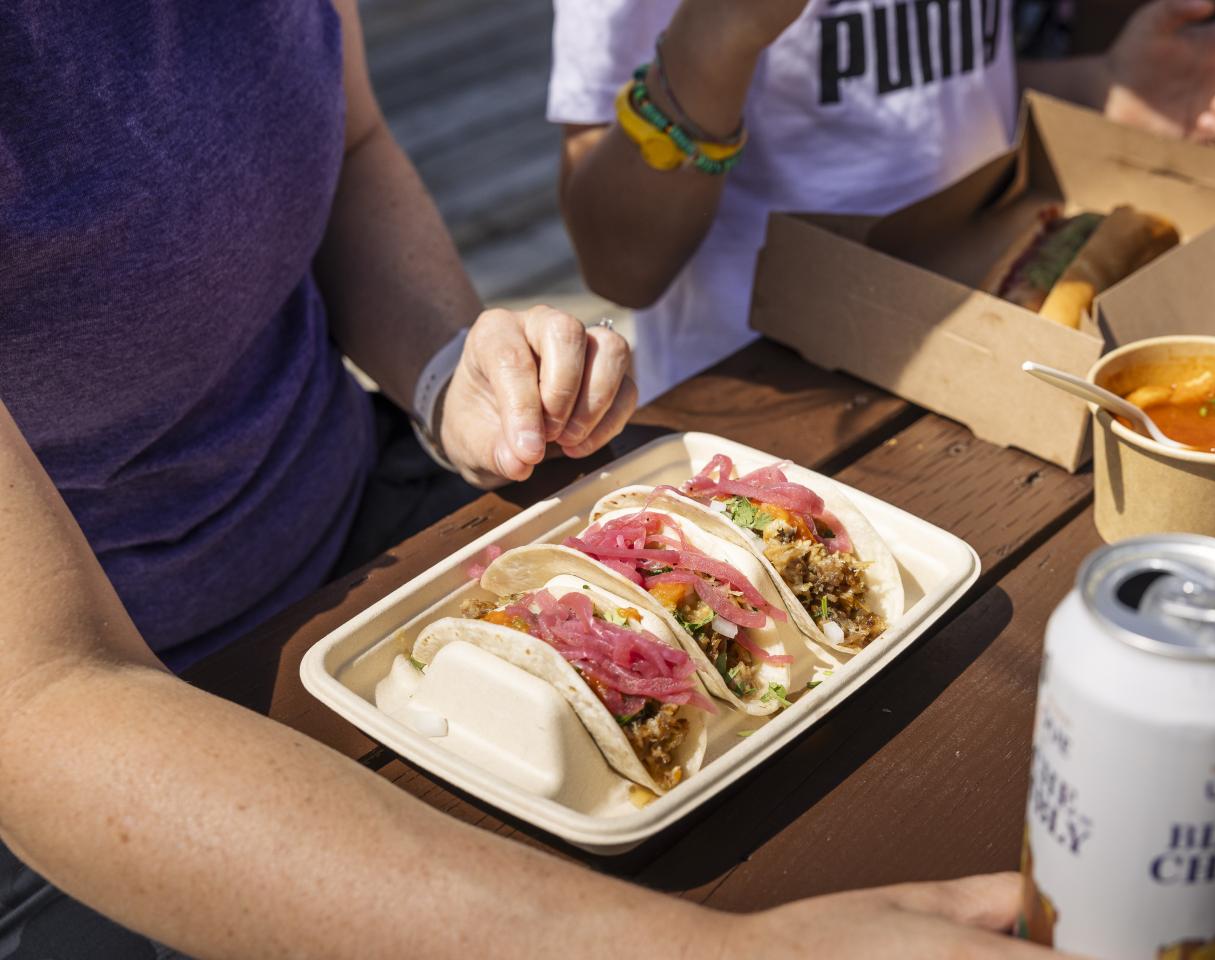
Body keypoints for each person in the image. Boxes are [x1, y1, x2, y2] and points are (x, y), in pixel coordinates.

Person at [0, 3, 1065, 957]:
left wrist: (446, 377)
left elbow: (348, 143)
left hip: (361, 525)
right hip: (110, 736)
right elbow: (42, 704)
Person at [551, 0, 1215, 402]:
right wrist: (718, 35)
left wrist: (1100, 90)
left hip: (989, 358)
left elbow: (928, 94)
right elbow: (620, 264)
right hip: (765, 398)